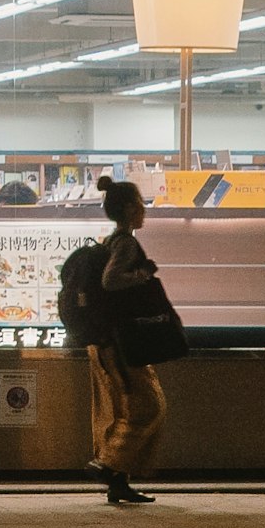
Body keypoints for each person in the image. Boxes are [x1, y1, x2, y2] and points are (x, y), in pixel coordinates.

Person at [84, 176, 172, 505]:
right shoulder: (125, 243)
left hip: (105, 341)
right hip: (119, 344)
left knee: (123, 409)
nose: (144, 211)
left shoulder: (111, 241)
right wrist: (143, 274)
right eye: (141, 205)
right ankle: (107, 464)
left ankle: (118, 481)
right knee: (149, 405)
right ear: (130, 208)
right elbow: (111, 281)